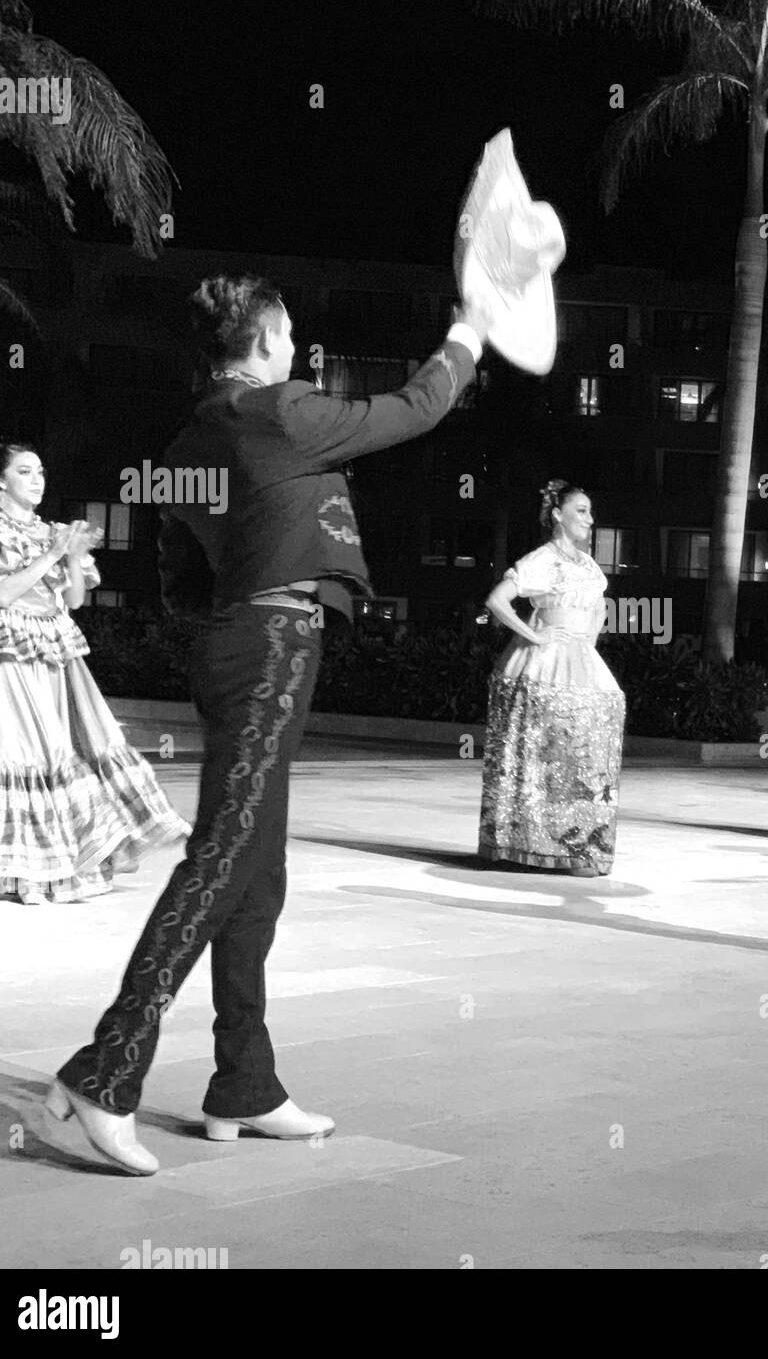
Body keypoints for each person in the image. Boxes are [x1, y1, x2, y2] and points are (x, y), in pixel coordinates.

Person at [48, 275, 491, 1175]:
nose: (297, 351)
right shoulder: (280, 412)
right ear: (263, 343)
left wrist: (226, 624)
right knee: (221, 862)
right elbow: (412, 407)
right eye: (289, 337)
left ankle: (243, 1083)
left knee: (257, 873)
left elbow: (177, 568)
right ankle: (105, 1072)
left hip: (239, 642)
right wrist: (469, 334)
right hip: (273, 641)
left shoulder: (191, 437)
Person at [0, 443, 188, 903]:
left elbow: (72, 601)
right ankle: (14, 869)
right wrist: (52, 554)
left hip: (53, 648)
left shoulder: (54, 531)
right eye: (24, 472)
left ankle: (61, 859)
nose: (37, 480)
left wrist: (69, 555)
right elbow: (2, 593)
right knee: (19, 753)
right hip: (5, 650)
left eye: (41, 471)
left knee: (60, 753)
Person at [479, 481, 625, 876]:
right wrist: (536, 635)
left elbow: (598, 608)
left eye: (591, 512)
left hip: (581, 662)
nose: (590, 520)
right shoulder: (543, 558)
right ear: (557, 514)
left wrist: (587, 647)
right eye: (581, 510)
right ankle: (530, 843)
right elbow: (496, 600)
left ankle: (580, 846)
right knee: (542, 755)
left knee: (579, 756)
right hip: (544, 663)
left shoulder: (589, 566)